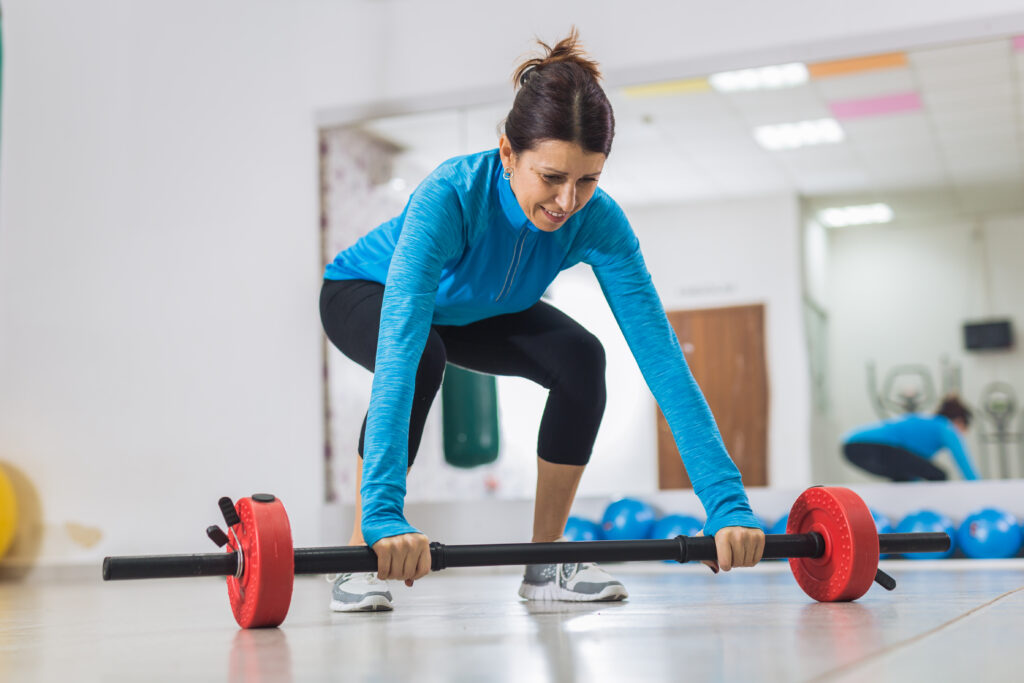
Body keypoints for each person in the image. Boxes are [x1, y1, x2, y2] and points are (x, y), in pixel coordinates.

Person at [319, 29, 765, 612]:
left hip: (478, 310)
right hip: (365, 291)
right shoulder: (449, 198)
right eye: (551, 177)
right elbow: (401, 347)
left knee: (581, 359)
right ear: (508, 153)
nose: (567, 201)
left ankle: (544, 562)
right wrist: (383, 516)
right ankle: (357, 561)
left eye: (588, 179)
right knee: (423, 354)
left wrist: (726, 503)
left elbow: (663, 361)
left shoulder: (598, 222)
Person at [841, 394, 980, 482]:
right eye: (962, 430)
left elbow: (913, 466)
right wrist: (980, 489)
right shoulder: (946, 426)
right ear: (959, 422)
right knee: (939, 475)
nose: (960, 435)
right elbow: (963, 463)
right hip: (870, 445)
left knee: (905, 478)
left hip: (850, 447)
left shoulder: (929, 425)